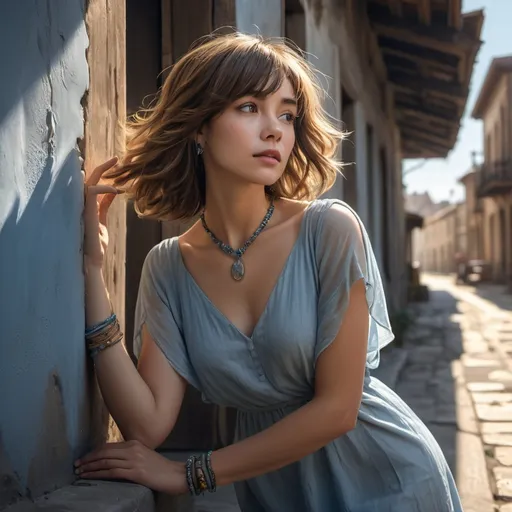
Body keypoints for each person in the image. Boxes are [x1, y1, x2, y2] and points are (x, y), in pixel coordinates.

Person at [76, 32, 462, 511]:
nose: (275, 129)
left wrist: (191, 473)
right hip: (277, 494)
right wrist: (93, 272)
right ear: (198, 125)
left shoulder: (330, 229)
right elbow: (148, 423)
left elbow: (338, 410)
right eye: (248, 107)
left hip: (388, 482)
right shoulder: (169, 266)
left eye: (286, 114)